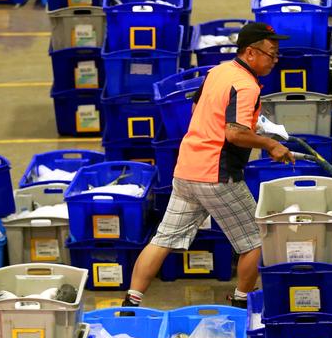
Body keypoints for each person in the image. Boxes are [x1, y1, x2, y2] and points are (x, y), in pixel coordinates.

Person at [122, 22, 294, 309]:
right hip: (217, 176)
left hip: (187, 170)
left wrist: (254, 127)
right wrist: (270, 144)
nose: (275, 61)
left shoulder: (219, 71)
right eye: (271, 54)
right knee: (256, 239)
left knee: (163, 239)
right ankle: (241, 303)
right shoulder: (246, 85)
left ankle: (130, 302)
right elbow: (234, 133)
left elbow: (197, 109)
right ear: (250, 53)